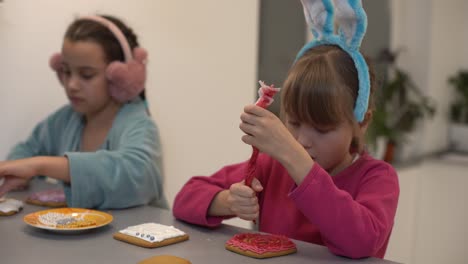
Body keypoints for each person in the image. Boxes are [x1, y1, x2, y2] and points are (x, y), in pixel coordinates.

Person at [173, 0, 399, 259]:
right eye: (293, 123)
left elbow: (360, 241)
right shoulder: (273, 166)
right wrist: (226, 201)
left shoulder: (378, 178)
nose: (302, 141)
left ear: (362, 122)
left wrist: (295, 159)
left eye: (322, 129)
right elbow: (186, 197)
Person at [0, 14, 168, 209]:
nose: (71, 84)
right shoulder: (64, 119)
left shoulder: (139, 124)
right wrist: (21, 172)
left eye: (86, 75)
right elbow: (26, 151)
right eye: (66, 71)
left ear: (121, 77)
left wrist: (41, 165)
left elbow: (136, 175)